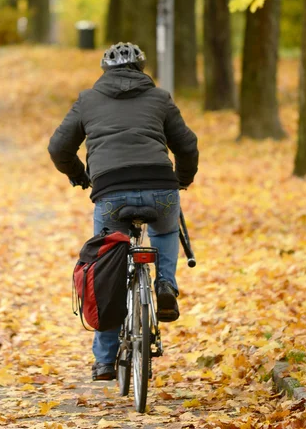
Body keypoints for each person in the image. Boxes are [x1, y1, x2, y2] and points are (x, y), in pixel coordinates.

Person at [48, 42, 199, 381]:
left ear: (105, 71)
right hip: (161, 187)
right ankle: (165, 287)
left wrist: (79, 176)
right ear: (142, 69)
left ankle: (103, 361)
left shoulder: (88, 100)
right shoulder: (160, 98)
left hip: (111, 192)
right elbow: (187, 145)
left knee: (108, 271)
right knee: (163, 230)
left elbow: (58, 147)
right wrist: (181, 180)